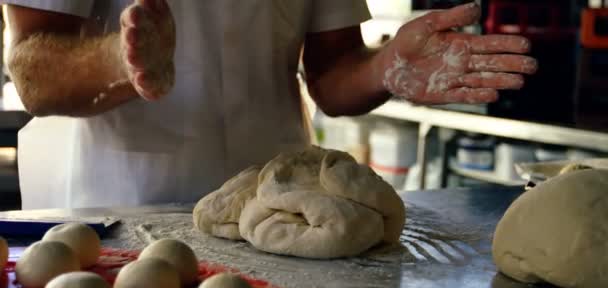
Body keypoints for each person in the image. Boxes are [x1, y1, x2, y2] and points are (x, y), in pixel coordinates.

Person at [2, 0, 536, 209]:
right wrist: (121, 60)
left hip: (278, 216)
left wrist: (386, 67)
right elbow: (32, 68)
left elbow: (331, 72)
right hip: (118, 216)